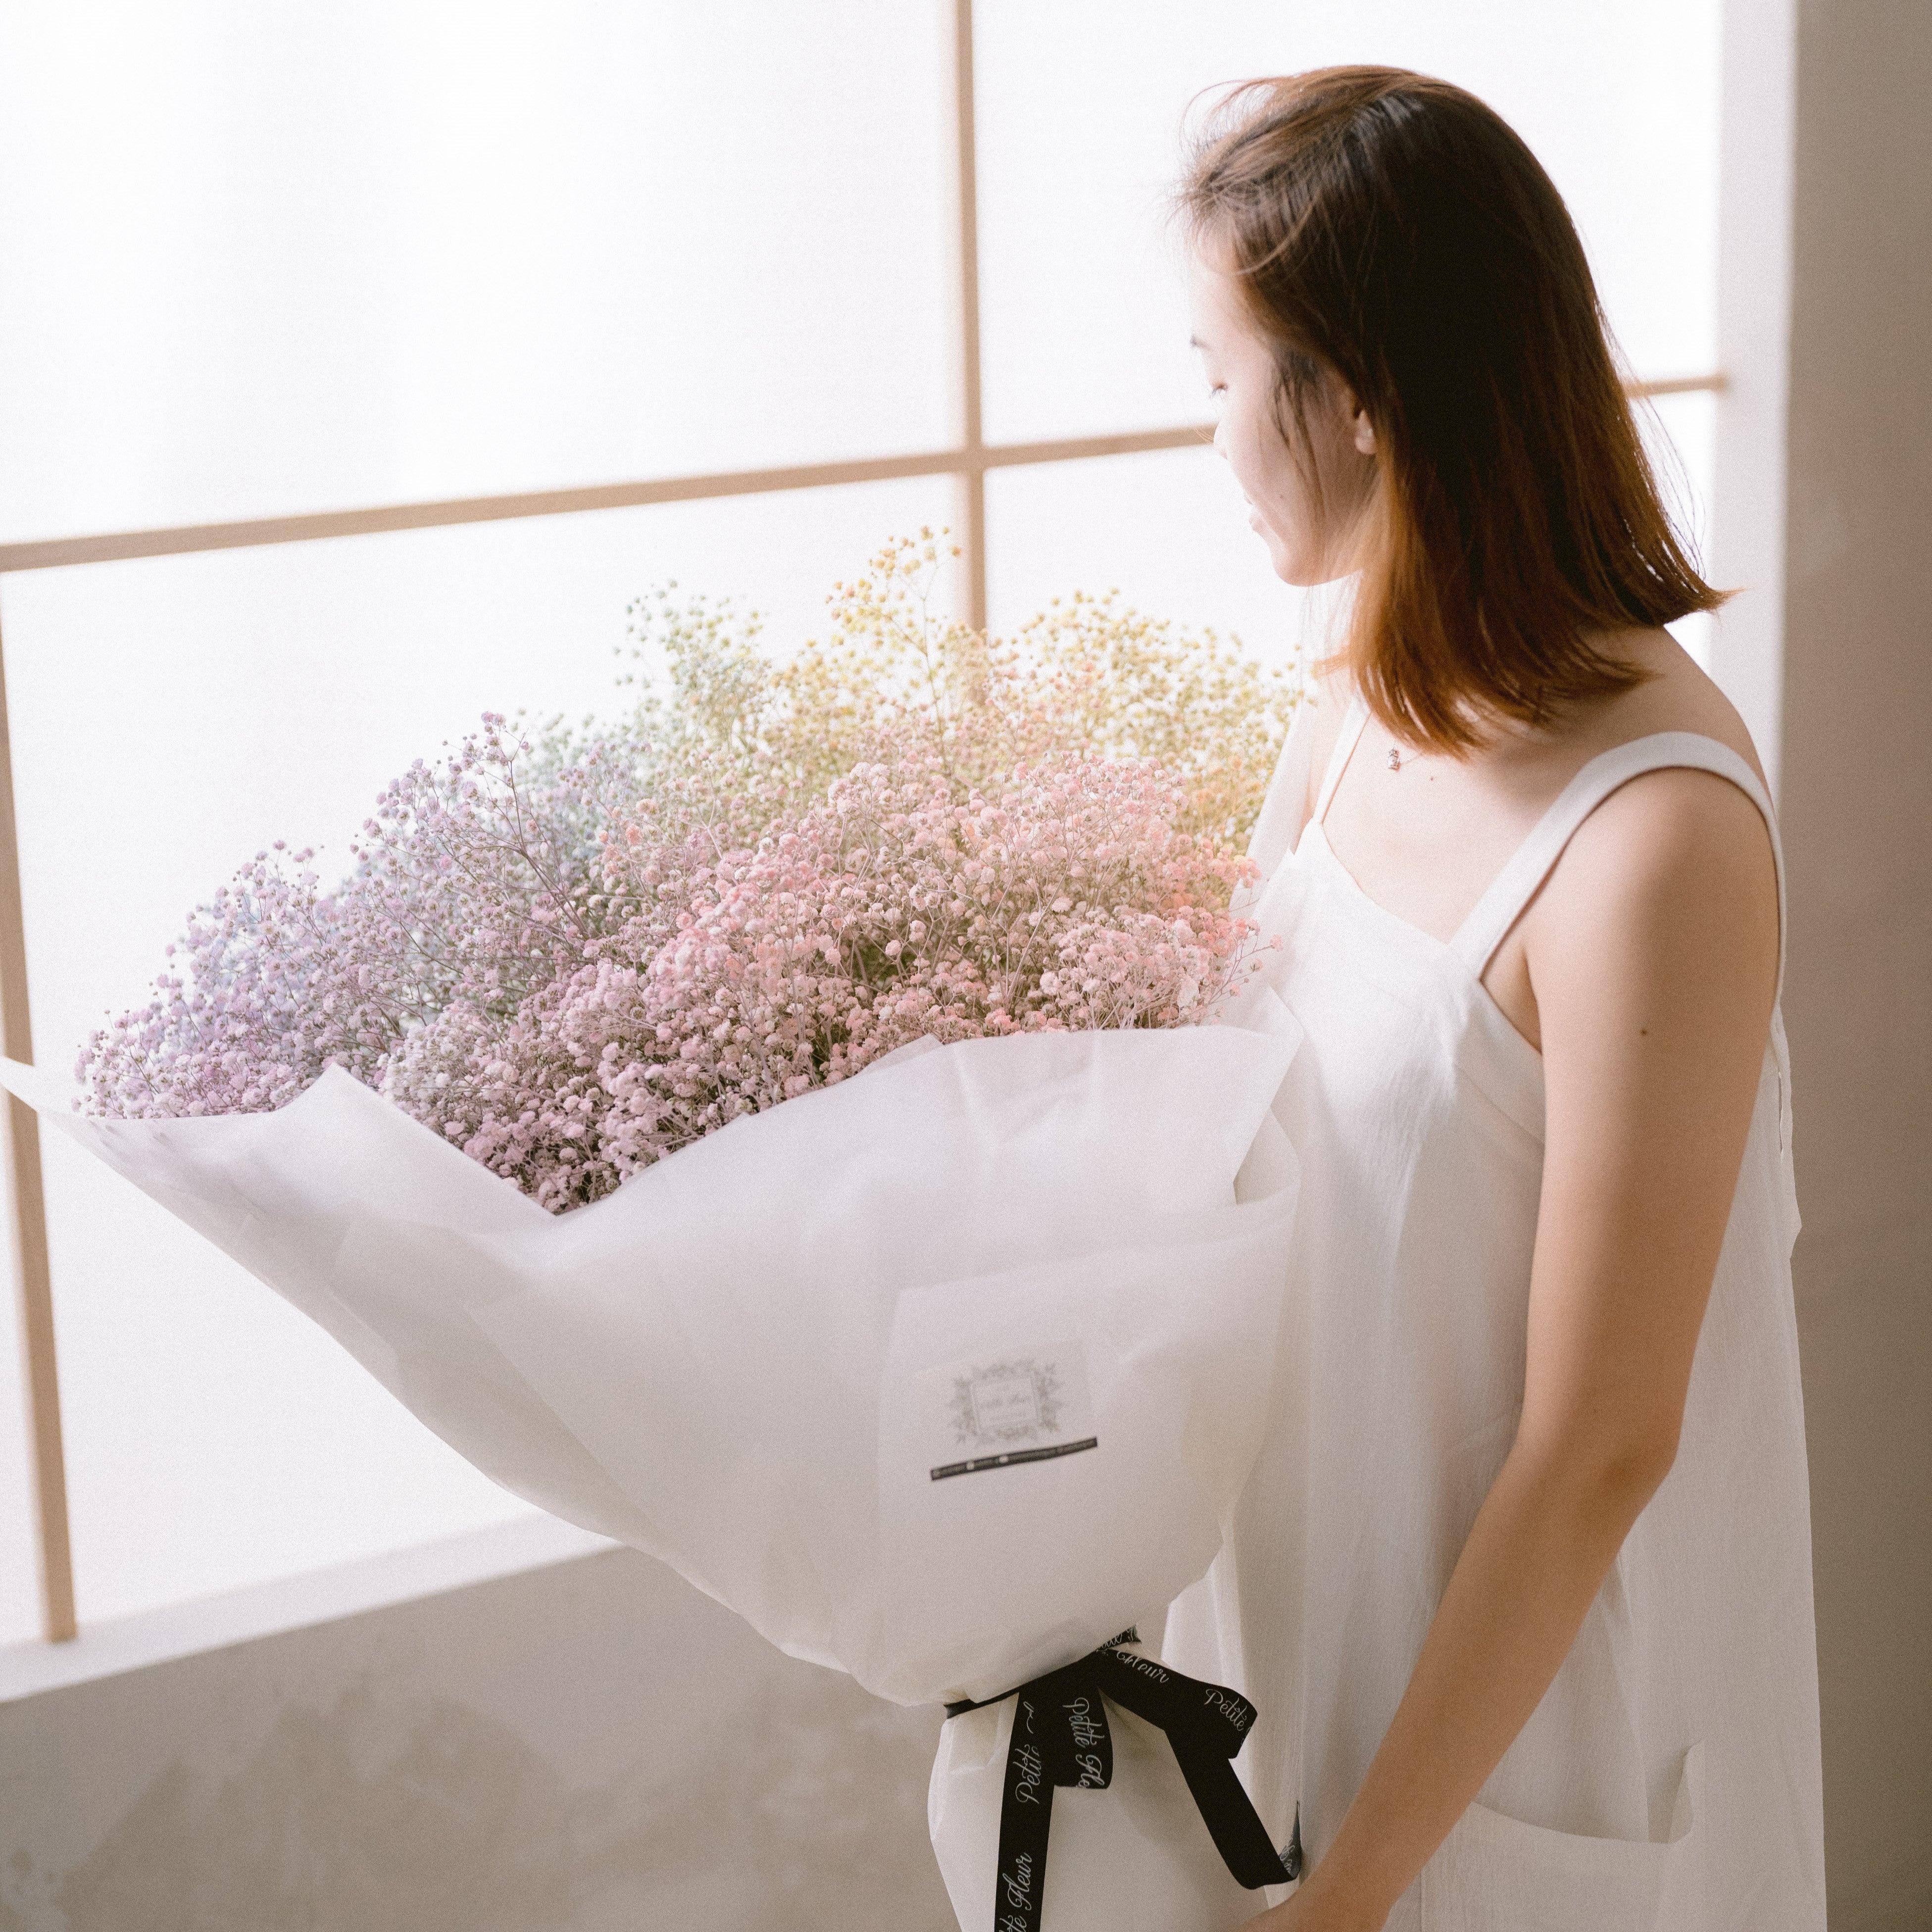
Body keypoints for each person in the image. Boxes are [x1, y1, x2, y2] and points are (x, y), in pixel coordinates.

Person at [1160, 68, 1826, 1931]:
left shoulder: (1656, 835)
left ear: (1359, 391)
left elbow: (1604, 1439)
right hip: (1303, 1625)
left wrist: (1356, 1888)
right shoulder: (1363, 676)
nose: (1208, 434)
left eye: (1220, 374)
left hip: (1519, 1729)